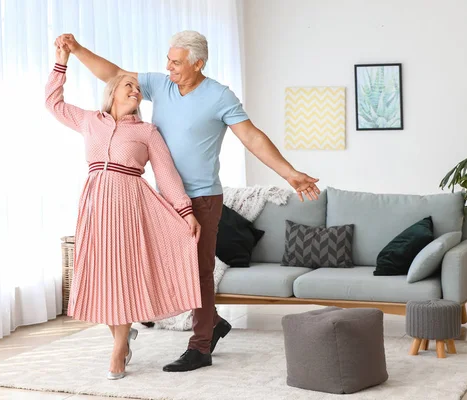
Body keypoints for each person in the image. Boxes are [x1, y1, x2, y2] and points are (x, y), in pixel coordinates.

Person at [55, 30, 321, 372]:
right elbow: (114, 75)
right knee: (164, 266)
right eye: (168, 59)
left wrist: (289, 173)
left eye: (176, 62)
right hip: (162, 198)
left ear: (198, 63)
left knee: (198, 271)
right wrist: (76, 50)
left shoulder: (219, 97)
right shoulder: (160, 85)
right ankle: (211, 323)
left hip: (201, 197)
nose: (169, 67)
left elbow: (252, 137)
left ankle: (200, 346)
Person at [45, 44, 203, 380]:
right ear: (112, 91)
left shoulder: (146, 132)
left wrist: (185, 211)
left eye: (138, 88)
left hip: (131, 206)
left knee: (125, 273)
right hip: (95, 206)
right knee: (103, 275)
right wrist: (61, 62)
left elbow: (166, 174)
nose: (135, 90)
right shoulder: (90, 121)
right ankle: (122, 337)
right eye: (128, 85)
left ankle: (119, 348)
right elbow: (53, 104)